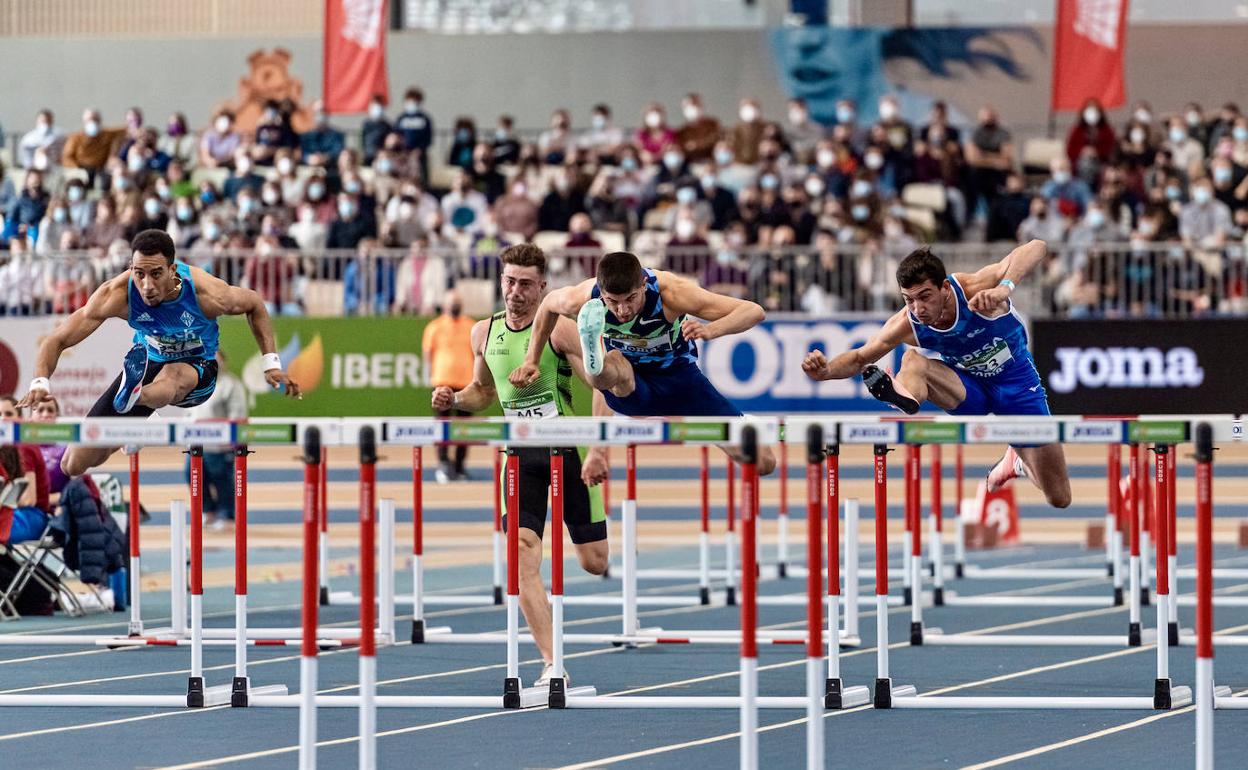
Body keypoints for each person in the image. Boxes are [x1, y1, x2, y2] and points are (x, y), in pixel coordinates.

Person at [430, 244, 610, 688]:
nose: (516, 291)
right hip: (519, 457)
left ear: (542, 287)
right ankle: (552, 664)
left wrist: (598, 448)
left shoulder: (560, 331)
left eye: (526, 284)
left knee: (595, 562)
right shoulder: (482, 333)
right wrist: (455, 400)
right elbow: (483, 392)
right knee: (523, 555)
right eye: (509, 281)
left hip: (569, 451)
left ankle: (555, 651)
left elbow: (602, 383)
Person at [800, 242, 1071, 509]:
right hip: (968, 390)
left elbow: (1037, 246)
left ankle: (1017, 461)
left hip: (1018, 385)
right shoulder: (907, 323)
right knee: (913, 361)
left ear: (944, 288)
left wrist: (1004, 288)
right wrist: (826, 371)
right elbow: (860, 357)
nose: (918, 308)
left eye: (925, 296)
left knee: (1058, 497)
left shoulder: (972, 289)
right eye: (909, 299)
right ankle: (904, 397)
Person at [15, 230, 300, 479]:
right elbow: (57, 339)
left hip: (197, 367)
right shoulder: (117, 294)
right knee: (73, 464)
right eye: (139, 274)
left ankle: (137, 400)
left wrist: (270, 363)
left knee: (172, 378)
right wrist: (40, 382)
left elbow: (255, 304)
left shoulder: (207, 294)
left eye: (156, 274)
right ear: (131, 267)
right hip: (148, 361)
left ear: (172, 270)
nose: (147, 285)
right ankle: (135, 417)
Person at [508, 251, 777, 474]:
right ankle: (595, 357)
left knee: (763, 463)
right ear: (602, 293)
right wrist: (531, 359)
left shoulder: (672, 292)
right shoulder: (584, 296)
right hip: (632, 384)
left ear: (643, 287)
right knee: (612, 366)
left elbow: (753, 311)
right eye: (612, 302)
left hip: (682, 382)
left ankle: (728, 428)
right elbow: (547, 307)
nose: (623, 310)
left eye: (630, 299)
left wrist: (711, 330)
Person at [183, 351, 248, 530]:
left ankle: (227, 515)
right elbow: (189, 413)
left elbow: (239, 416)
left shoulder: (231, 385)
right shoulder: (194, 384)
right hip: (195, 443)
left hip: (220, 446)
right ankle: (208, 512)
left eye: (216, 359)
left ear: (223, 363)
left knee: (221, 480)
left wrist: (229, 439)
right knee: (193, 476)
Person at [421, 290, 475, 483]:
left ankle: (460, 466)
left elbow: (478, 355)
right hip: (442, 382)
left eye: (458, 302)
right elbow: (427, 353)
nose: (455, 305)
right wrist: (429, 377)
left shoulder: (471, 325)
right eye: (452, 302)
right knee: (442, 427)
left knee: (465, 428)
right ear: (444, 304)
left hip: (466, 384)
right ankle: (444, 464)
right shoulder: (434, 327)